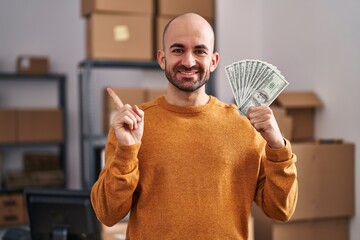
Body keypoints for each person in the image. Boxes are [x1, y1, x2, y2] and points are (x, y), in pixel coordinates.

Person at [91, 13, 298, 239]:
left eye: (199, 51)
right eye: (178, 50)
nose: (189, 62)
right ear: (162, 58)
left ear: (214, 61)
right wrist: (126, 152)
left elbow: (281, 210)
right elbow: (107, 214)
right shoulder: (132, 128)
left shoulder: (244, 126)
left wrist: (279, 148)